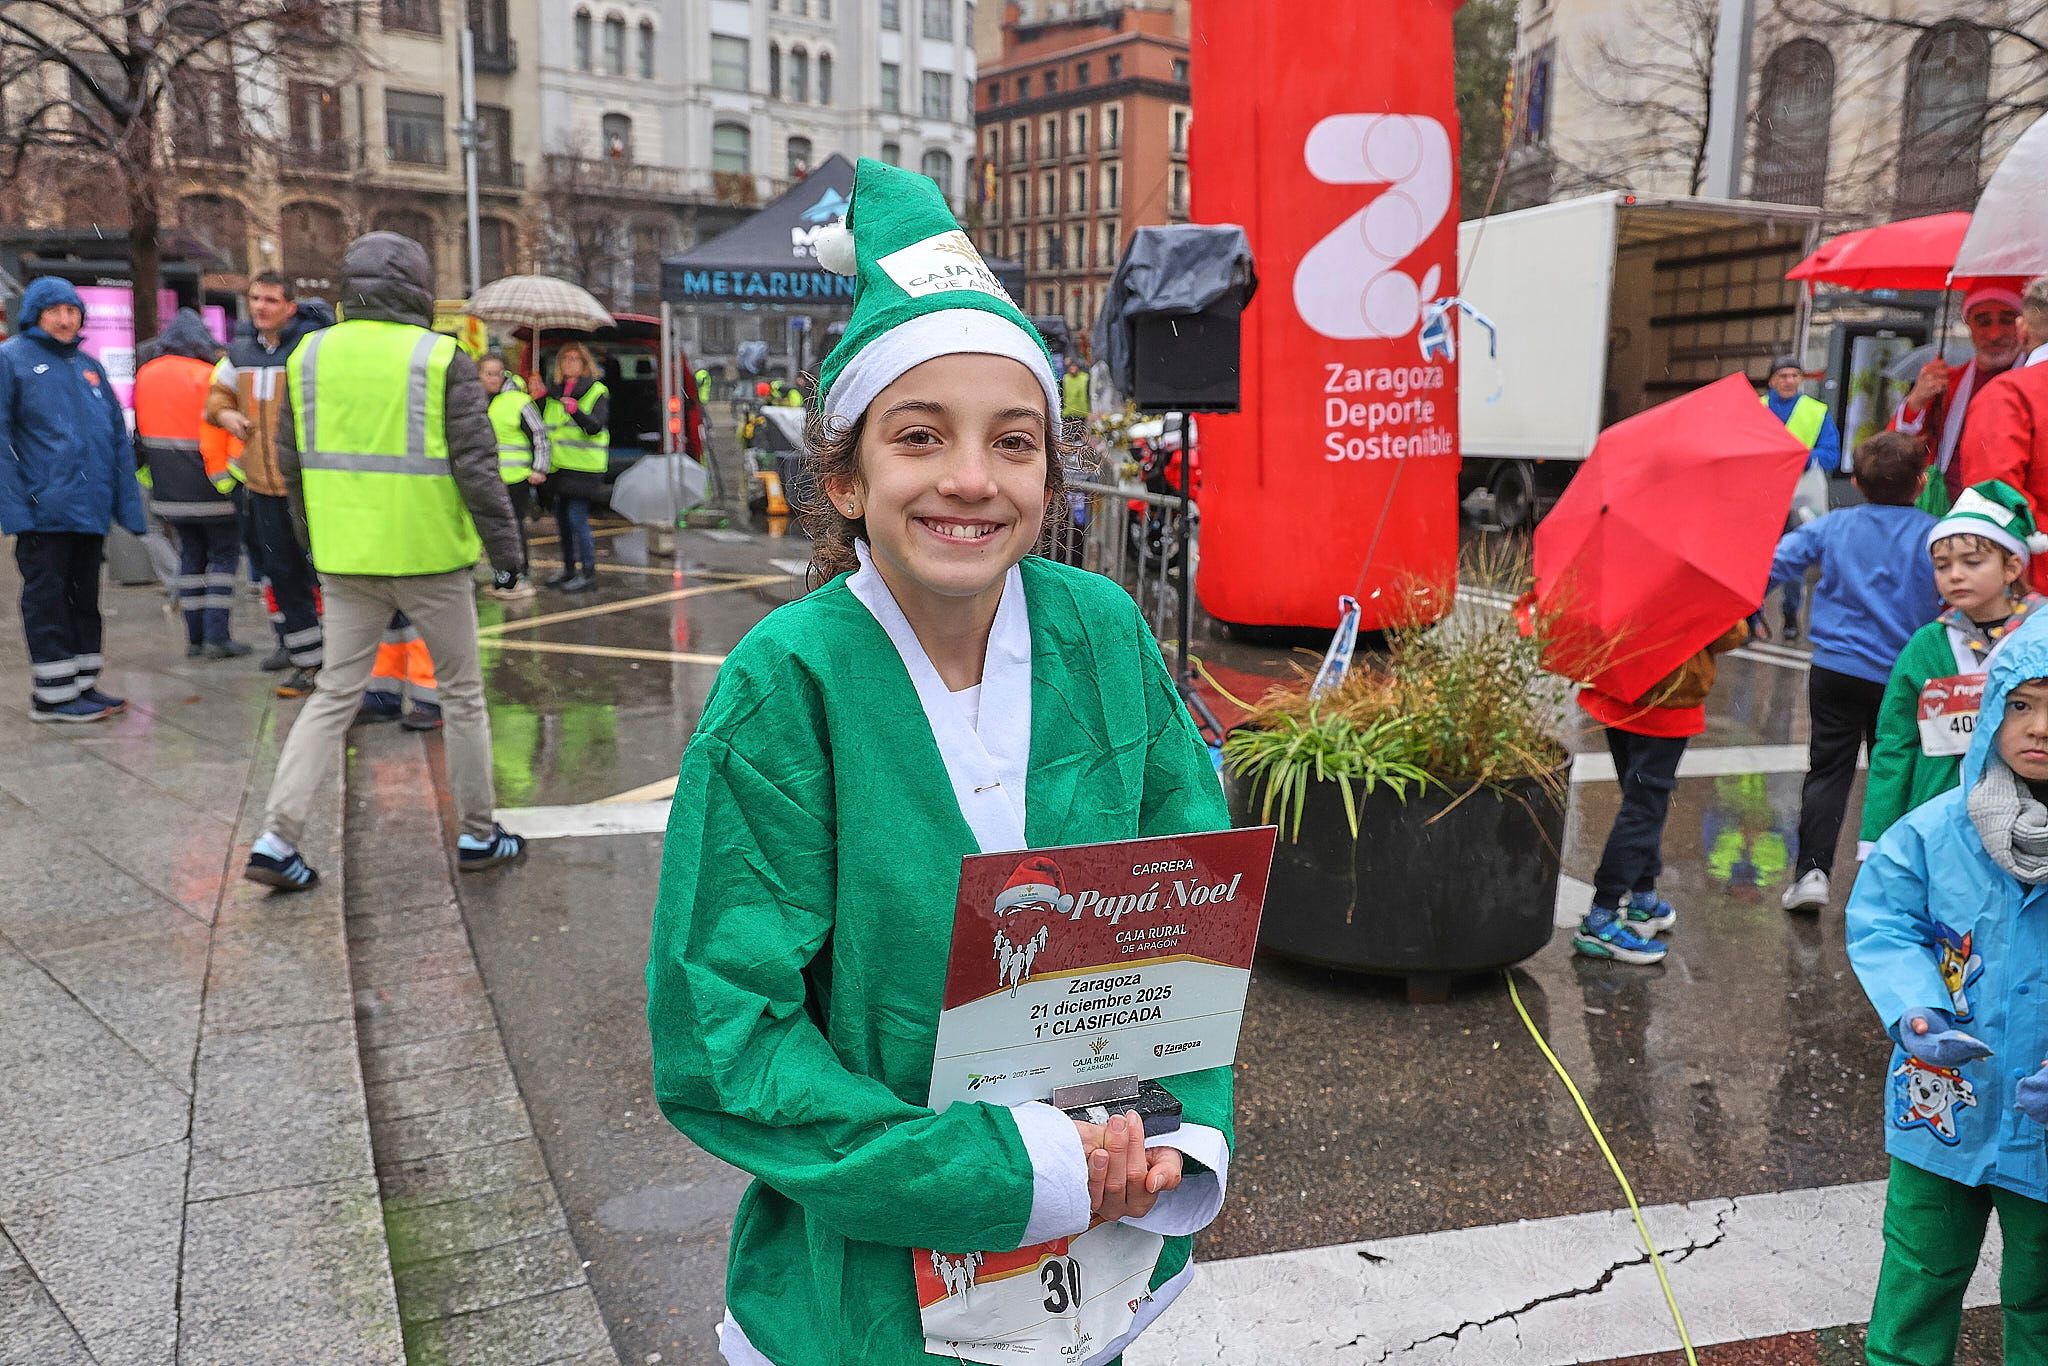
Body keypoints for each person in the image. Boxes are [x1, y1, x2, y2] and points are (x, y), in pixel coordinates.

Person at [646, 158, 1232, 1366]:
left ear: (1045, 477)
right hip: (867, 1294)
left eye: (1011, 442)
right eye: (921, 436)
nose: (970, 476)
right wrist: (1004, 1170)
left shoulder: (1102, 633)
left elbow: (1189, 927)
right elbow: (725, 1034)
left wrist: (1176, 1133)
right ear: (846, 478)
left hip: (1104, 1243)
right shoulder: (785, 685)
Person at [242, 231, 525, 891]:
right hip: (430, 556)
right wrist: (506, 556)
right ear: (419, 287)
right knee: (461, 695)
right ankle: (480, 834)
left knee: (333, 694)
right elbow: (478, 470)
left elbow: (290, 465)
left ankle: (275, 838)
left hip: (346, 556)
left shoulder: (309, 355)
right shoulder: (441, 357)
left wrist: (314, 545)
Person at [1846, 617, 2048, 1365]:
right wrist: (1915, 1008)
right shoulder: (1935, 832)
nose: (2039, 728)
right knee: (1920, 1274)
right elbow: (1884, 918)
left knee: (2042, 1294)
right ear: (1992, 706)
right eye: (2020, 704)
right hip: (1943, 1107)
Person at [1773, 432, 1943, 912]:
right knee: (1897, 773)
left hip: (1836, 669)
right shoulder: (1935, 535)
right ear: (1921, 481)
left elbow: (1778, 562)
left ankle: (1811, 873)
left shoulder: (1833, 527)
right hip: (1905, 676)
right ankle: (1889, 878)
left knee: (1828, 770)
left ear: (1857, 482)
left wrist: (1744, 611)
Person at [1860, 480, 2048, 853]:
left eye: (1972, 562)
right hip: (1938, 815)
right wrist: (1878, 838)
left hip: (2030, 815)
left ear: (2012, 566)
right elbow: (1896, 743)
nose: (1955, 575)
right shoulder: (1926, 645)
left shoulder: (2040, 632)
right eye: (1942, 565)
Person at [0, 277, 145, 722]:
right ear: (35, 315)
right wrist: (15, 508)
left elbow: (116, 441)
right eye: (54, 311)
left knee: (84, 600)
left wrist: (128, 506)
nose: (65, 319)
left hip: (89, 510)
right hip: (45, 511)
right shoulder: (12, 360)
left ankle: (82, 684)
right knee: (49, 600)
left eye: (72, 310)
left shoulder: (88, 366)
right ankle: (53, 696)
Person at [1570, 621, 1751, 964]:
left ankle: (1642, 897)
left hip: (1617, 684)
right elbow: (1729, 632)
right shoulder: (1696, 571)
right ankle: (1601, 917)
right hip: (1667, 696)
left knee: (1637, 798)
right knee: (1644, 806)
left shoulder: (1624, 564)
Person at [207, 271, 332, 696]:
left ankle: (342, 662)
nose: (261, 307)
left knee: (326, 575)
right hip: (262, 487)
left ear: (290, 307)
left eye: (271, 300)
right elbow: (216, 398)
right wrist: (225, 415)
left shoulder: (312, 349)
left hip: (310, 487)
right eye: (256, 299)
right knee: (282, 574)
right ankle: (307, 662)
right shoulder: (239, 352)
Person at [135, 309, 250, 659]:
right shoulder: (209, 375)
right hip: (213, 486)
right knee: (223, 557)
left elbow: (141, 435)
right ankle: (218, 635)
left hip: (168, 491)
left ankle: (195, 638)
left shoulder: (146, 374)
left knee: (191, 558)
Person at [1891, 284, 2026, 515]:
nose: (1995, 334)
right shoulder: (1947, 383)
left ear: (2023, 324)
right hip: (1949, 513)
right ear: (1969, 325)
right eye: (1983, 321)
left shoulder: (2036, 381)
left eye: (2006, 320)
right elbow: (1897, 448)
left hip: (2016, 513)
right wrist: (1917, 400)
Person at [1959, 276, 2048, 592]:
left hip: (2034, 588)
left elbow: (1994, 498)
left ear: (2023, 329)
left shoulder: (2010, 395)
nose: (1995, 334)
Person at [1760, 354, 1842, 641]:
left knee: (1794, 562)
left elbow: (1831, 455)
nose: (1789, 381)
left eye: (1795, 376)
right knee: (1756, 560)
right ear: (1772, 381)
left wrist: (1805, 459)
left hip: (1799, 499)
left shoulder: (1816, 412)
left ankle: (1790, 615)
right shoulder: (1756, 409)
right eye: (1783, 376)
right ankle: (1750, 616)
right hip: (1762, 497)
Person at [532, 341, 607, 594]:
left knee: (577, 519)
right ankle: (568, 570)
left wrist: (576, 412)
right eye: (565, 359)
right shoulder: (555, 393)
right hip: (559, 468)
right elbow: (544, 425)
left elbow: (596, 426)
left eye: (575, 359)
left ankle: (588, 573)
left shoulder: (596, 391)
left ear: (585, 364)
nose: (569, 363)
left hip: (583, 469)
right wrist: (539, 398)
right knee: (562, 522)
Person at [480, 351, 549, 601]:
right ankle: (504, 577)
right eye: (488, 374)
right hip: (488, 476)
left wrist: (539, 468)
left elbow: (539, 435)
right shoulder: (478, 400)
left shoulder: (518, 401)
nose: (494, 378)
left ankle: (518, 576)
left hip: (516, 477)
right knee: (493, 529)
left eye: (498, 373)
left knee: (511, 529)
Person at [1061, 354, 1092, 427]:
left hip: (1082, 412)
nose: (1073, 368)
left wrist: (1090, 410)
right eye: (1071, 366)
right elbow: (1062, 394)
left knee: (1081, 433)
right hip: (1068, 412)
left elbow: (1089, 394)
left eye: (1074, 366)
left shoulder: (1085, 378)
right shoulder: (1065, 379)